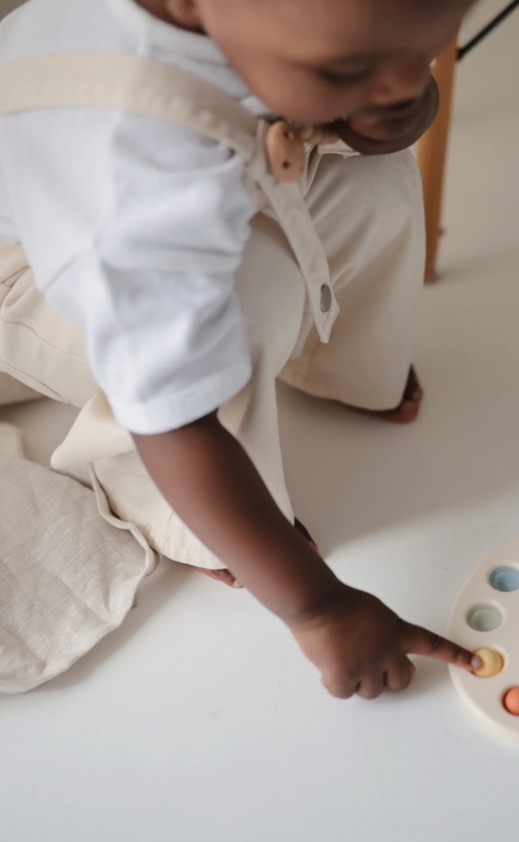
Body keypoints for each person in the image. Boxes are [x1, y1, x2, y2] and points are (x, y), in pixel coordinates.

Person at [0, 0, 482, 700]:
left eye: (430, 48)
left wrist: (389, 110)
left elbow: (370, 98)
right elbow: (172, 417)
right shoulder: (129, 181)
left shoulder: (263, 22)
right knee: (247, 300)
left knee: (370, 183)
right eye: (349, 68)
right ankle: (184, 518)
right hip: (24, 274)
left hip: (176, 176)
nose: (400, 82)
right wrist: (317, 606)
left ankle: (343, 366)